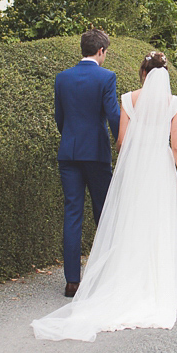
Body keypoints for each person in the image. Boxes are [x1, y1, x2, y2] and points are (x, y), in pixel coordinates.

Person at [32, 51, 177, 342]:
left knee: (132, 220)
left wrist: (132, 159)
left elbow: (121, 140)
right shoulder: (174, 103)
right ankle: (165, 276)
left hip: (135, 168)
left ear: (143, 73)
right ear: (165, 75)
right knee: (160, 218)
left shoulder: (128, 99)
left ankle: (121, 277)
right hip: (159, 167)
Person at [52, 29, 121, 298]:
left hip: (68, 153)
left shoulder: (63, 78)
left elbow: (60, 117)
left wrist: (70, 139)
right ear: (101, 50)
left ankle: (72, 282)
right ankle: (105, 274)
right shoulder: (106, 77)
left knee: (72, 214)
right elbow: (113, 114)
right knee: (103, 212)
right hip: (96, 154)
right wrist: (122, 143)